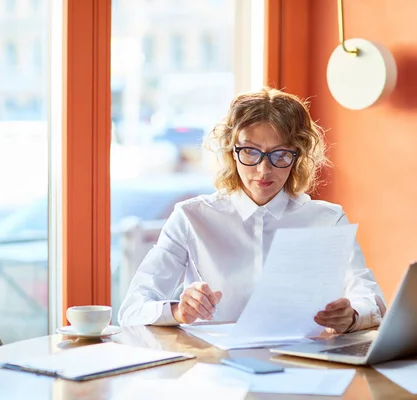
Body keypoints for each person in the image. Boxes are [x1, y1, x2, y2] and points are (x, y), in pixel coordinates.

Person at [118, 87, 386, 333]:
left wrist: (351, 315)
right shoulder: (191, 217)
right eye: (250, 151)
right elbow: (132, 309)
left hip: (302, 363)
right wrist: (178, 310)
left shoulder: (328, 219)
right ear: (232, 152)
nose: (263, 169)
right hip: (215, 366)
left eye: (280, 154)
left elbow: (371, 300)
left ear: (298, 155)